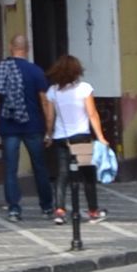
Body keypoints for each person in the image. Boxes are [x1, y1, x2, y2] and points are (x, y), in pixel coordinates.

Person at [0, 34, 53, 220]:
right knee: (39, 167)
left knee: (10, 168)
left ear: (11, 47)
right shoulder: (36, 71)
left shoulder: (0, 70)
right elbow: (44, 101)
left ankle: (14, 208)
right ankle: (47, 206)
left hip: (9, 126)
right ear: (27, 48)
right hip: (33, 125)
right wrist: (49, 130)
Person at [44, 52, 104, 225]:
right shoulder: (84, 88)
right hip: (81, 137)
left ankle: (60, 210)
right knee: (87, 175)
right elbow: (92, 114)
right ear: (77, 70)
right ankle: (93, 210)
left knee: (62, 174)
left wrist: (48, 134)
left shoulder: (53, 91)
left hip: (61, 137)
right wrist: (100, 136)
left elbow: (50, 118)